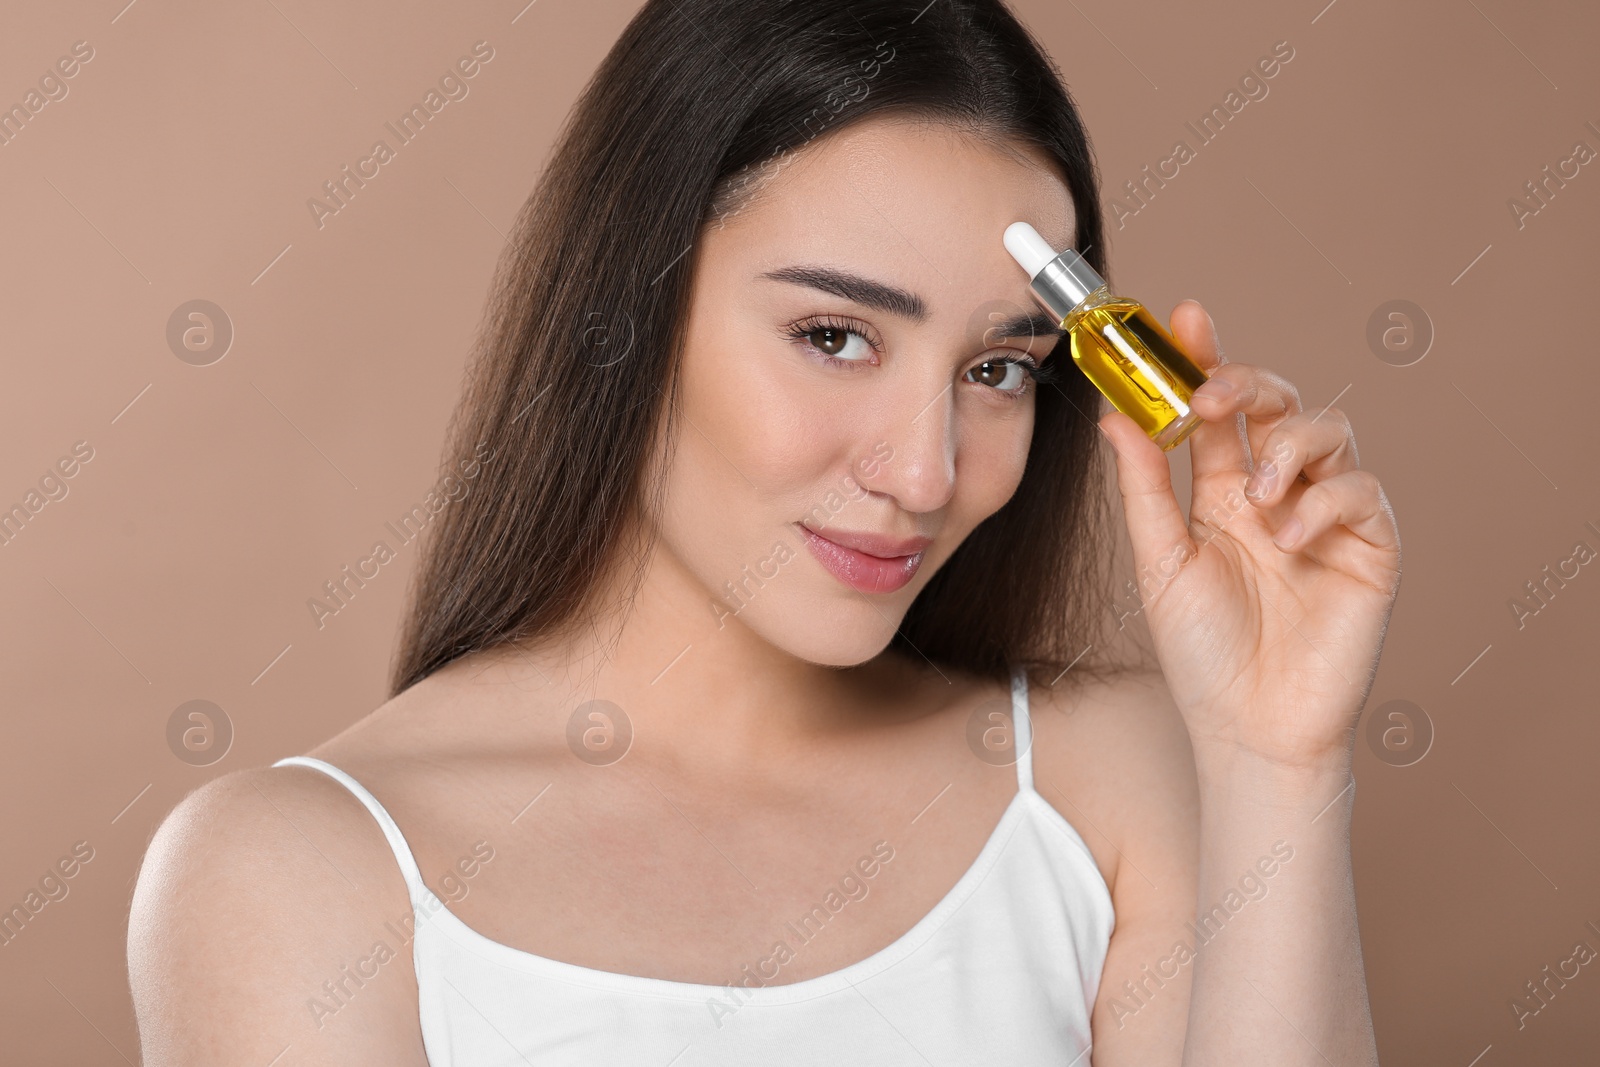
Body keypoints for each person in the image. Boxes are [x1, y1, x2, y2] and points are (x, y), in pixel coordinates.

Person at [127, 0, 1398, 1063]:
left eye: (999, 368)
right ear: (627, 311)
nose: (922, 470)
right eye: (834, 337)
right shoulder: (295, 878)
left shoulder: (1101, 787)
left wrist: (1277, 761)